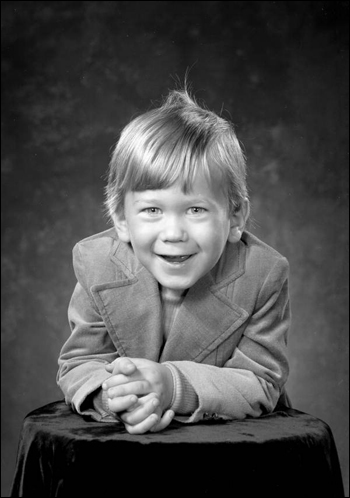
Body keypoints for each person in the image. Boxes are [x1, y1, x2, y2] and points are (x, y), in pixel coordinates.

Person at [57, 87, 291, 435]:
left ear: (235, 216)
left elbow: (259, 382)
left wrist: (171, 386)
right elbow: (80, 363)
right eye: (152, 210)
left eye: (195, 209)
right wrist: (118, 399)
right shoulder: (97, 265)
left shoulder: (262, 275)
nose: (173, 232)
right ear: (121, 218)